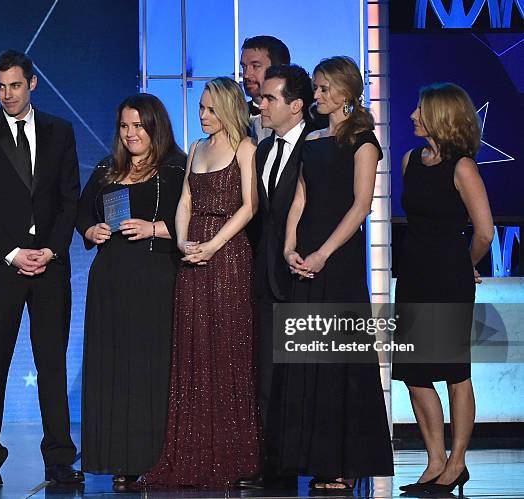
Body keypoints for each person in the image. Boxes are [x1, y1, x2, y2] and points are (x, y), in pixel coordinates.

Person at [0, 50, 82, 487]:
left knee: (52, 364)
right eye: (0, 86)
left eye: (15, 85)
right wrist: (12, 253)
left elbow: (71, 197)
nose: (7, 94)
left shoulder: (60, 131)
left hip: (50, 268)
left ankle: (60, 460)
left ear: (32, 83)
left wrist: (49, 250)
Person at [278, 56, 394, 492]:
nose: (318, 95)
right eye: (317, 88)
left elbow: (360, 206)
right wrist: (290, 246)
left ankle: (347, 462)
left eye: (325, 88)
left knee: (340, 361)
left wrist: (324, 253)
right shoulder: (313, 137)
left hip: (337, 259)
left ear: (345, 93)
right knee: (310, 358)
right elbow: (300, 198)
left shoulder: (362, 141)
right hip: (305, 256)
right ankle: (318, 459)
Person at [142, 77, 260, 489]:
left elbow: (249, 207)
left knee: (227, 348)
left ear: (228, 108)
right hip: (193, 256)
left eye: (210, 108)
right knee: (194, 349)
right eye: (201, 108)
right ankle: (192, 449)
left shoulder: (245, 147)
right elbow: (185, 203)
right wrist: (183, 241)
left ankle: (236, 454)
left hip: (227, 256)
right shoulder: (195, 149)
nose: (202, 115)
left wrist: (212, 245)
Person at [75, 94, 186, 489]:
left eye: (139, 126)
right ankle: (119, 460)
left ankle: (153, 458)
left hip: (155, 277)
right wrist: (90, 229)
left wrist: (154, 227)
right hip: (110, 280)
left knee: (149, 370)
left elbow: (197, 222)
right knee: (113, 370)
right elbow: (81, 209)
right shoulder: (108, 168)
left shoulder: (177, 167)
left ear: (155, 126)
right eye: (125, 126)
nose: (131, 133)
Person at [393, 83, 493, 496]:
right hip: (414, 275)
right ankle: (434, 460)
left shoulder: (463, 166)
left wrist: (463, 266)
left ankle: (457, 462)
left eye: (420, 109)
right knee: (413, 373)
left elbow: (485, 232)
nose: (413, 115)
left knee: (454, 371)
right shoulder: (409, 160)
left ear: (440, 116)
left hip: (449, 278)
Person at [236, 64, 314, 490]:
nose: (259, 104)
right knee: (266, 373)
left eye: (269, 99)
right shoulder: (263, 151)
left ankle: (312, 459)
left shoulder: (316, 148)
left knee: (305, 372)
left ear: (296, 105)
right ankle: (271, 462)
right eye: (260, 97)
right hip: (264, 276)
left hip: (304, 274)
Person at [240, 36, 290, 142]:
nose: (246, 75)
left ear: (279, 69)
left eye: (256, 66)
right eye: (244, 67)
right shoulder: (235, 115)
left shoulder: (304, 117)